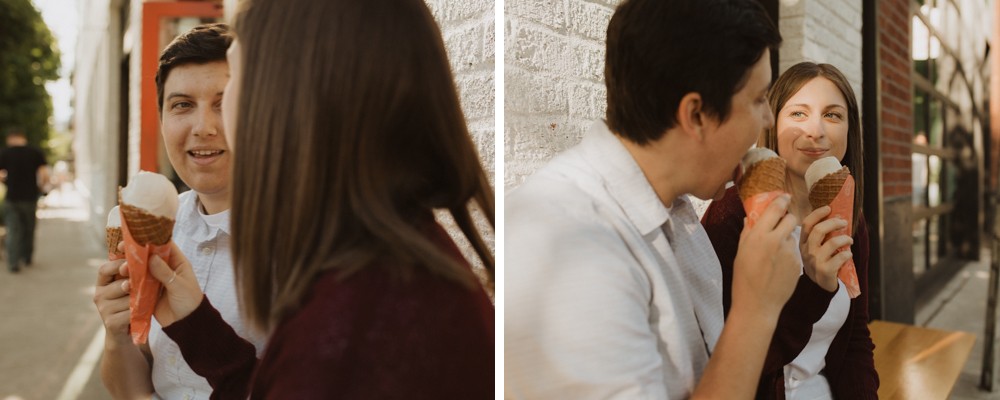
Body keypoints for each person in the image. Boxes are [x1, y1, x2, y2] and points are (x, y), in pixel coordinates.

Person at [124, 0, 495, 397]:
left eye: (235, 85)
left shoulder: (358, 321)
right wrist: (196, 325)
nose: (210, 124)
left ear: (294, 102)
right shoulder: (387, 266)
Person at [505, 0, 804, 398]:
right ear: (696, 115)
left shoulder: (675, 211)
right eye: (757, 99)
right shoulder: (571, 246)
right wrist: (756, 310)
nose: (768, 118)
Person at [92, 23, 266, 399]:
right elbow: (132, 391)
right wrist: (117, 335)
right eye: (182, 105)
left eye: (223, 103)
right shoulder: (158, 225)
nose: (203, 128)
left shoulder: (311, 247)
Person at [701, 62, 879, 399]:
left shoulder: (850, 221)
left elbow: (856, 337)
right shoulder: (730, 217)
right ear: (772, 122)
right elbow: (719, 360)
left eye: (833, 115)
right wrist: (813, 289)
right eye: (798, 114)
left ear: (849, 130)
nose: (816, 131)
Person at [0, 128, 48, 273]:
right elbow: (44, 174)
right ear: (23, 137)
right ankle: (26, 257)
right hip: (29, 197)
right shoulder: (34, 152)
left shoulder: (5, 153)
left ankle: (13, 262)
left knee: (13, 230)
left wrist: (6, 182)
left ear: (10, 138)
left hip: (12, 198)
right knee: (29, 228)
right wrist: (39, 187)